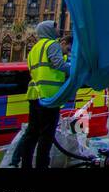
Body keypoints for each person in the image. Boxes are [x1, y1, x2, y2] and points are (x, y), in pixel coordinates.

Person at [19, 19, 71, 169]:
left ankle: (26, 164)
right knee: (46, 136)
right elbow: (59, 64)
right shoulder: (52, 44)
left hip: (34, 94)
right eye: (55, 27)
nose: (58, 30)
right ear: (48, 30)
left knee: (31, 133)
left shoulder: (34, 48)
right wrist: (75, 68)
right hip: (49, 96)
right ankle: (42, 165)